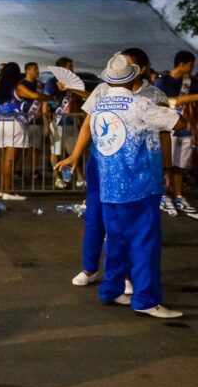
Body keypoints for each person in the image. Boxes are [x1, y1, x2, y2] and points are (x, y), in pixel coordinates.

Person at [57, 54, 184, 319]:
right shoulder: (142, 104)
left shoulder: (101, 106)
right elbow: (179, 123)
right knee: (144, 243)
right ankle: (146, 299)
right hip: (139, 184)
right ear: (134, 76)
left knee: (115, 240)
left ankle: (111, 289)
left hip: (109, 186)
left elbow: (91, 131)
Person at [69, 48, 166, 288]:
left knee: (128, 223)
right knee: (95, 217)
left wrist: (167, 167)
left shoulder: (154, 96)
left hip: (135, 167)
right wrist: (75, 155)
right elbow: (87, 126)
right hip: (101, 164)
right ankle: (89, 268)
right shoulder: (103, 90)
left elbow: (165, 134)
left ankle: (126, 277)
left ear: (140, 69)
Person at [0, 63, 49, 202]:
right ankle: (9, 190)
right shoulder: (18, 87)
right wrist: (49, 98)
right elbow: (35, 95)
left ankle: (2, 189)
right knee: (11, 159)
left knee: (3, 157)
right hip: (15, 123)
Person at [154, 51, 198, 217]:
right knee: (165, 164)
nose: (191, 68)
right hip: (167, 128)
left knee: (180, 165)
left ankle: (179, 196)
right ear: (182, 64)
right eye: (190, 65)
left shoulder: (190, 82)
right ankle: (163, 195)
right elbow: (169, 101)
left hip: (185, 128)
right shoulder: (162, 81)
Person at [45, 57, 86, 189]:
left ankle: (80, 177)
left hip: (71, 121)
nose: (72, 69)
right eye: (70, 66)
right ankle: (57, 177)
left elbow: (79, 101)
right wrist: (46, 123)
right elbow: (45, 102)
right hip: (56, 121)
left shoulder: (74, 84)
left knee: (75, 152)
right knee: (56, 151)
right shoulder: (51, 83)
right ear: (63, 68)